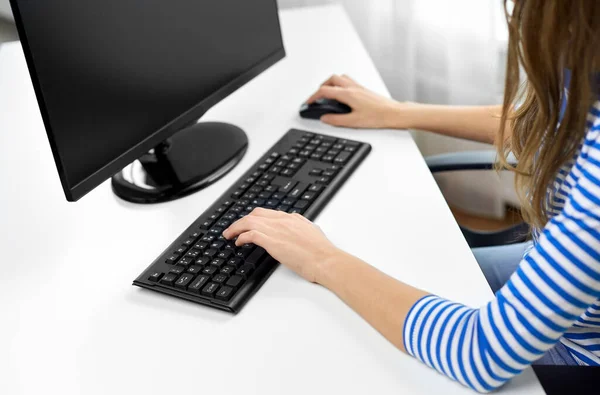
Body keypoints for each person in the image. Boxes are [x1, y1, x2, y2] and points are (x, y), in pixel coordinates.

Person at [223, 1, 600, 392]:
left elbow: (480, 352)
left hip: (582, 355)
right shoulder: (586, 60)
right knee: (396, 281)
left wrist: (320, 257)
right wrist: (396, 112)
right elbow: (545, 127)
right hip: (567, 286)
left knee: (353, 342)